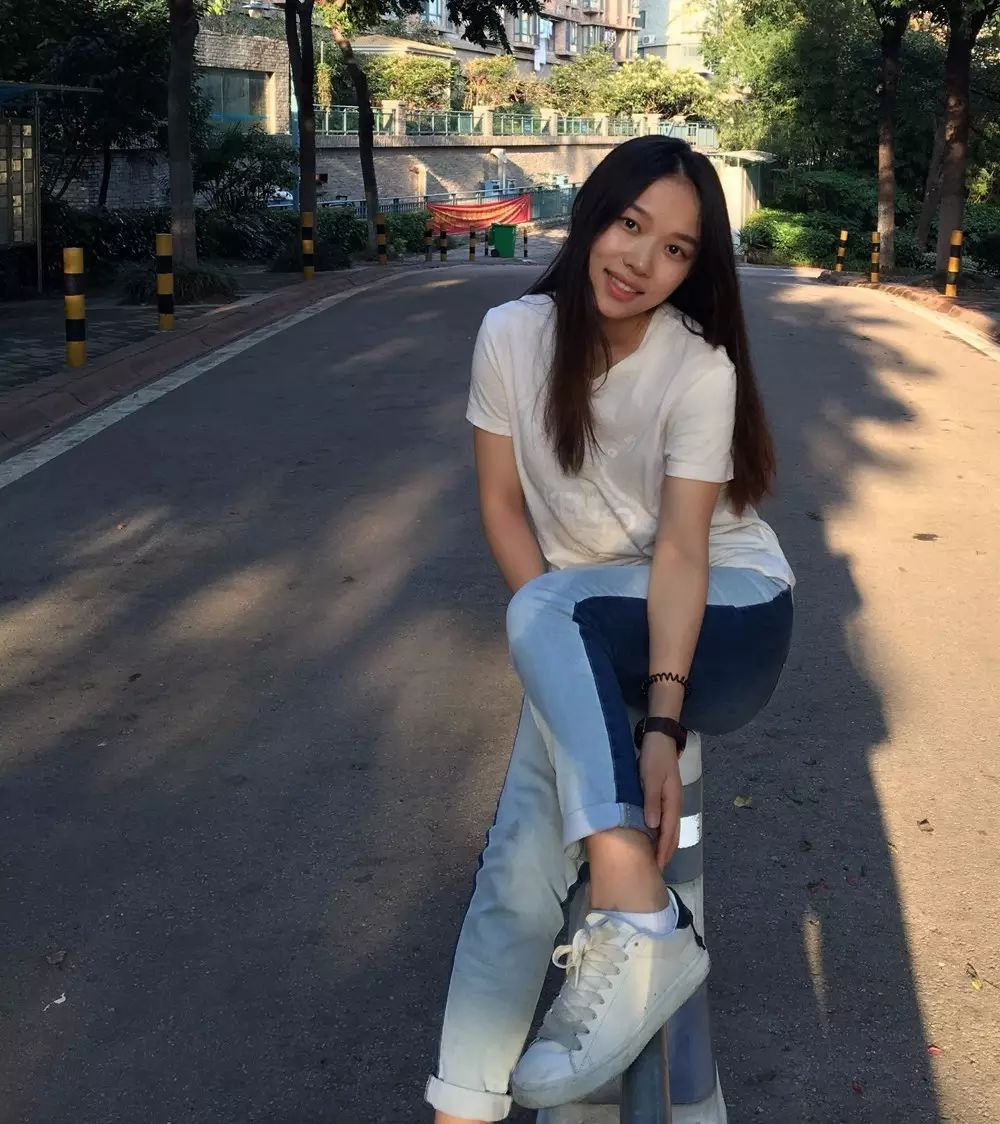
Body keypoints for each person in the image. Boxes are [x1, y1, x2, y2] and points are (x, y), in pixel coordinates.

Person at [425, 136, 795, 1124]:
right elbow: (502, 504)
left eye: (675, 249)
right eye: (630, 224)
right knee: (520, 852)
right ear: (593, 214)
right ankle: (462, 1102)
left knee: (548, 614)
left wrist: (661, 724)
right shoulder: (512, 336)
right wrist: (556, 655)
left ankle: (638, 912)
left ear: (693, 270)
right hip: (589, 622)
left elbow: (682, 552)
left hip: (728, 618)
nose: (640, 260)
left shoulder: (699, 369)